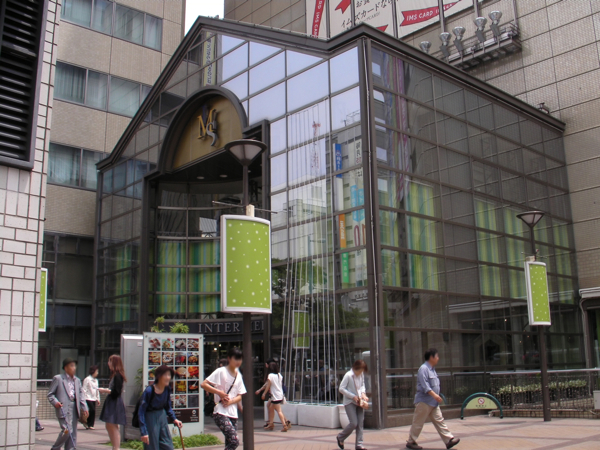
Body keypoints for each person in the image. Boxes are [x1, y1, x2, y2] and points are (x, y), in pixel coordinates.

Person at [406, 349, 460, 450]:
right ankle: (411, 442)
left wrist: (435, 397)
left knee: (440, 421)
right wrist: (434, 395)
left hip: (433, 403)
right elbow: (425, 385)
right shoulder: (423, 369)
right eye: (437, 356)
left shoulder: (432, 369)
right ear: (431, 357)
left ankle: (448, 440)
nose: (438, 358)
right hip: (424, 401)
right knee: (418, 422)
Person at [201, 347, 247, 450]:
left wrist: (231, 402)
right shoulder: (221, 371)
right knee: (234, 441)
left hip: (233, 413)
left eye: (240, 359)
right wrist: (219, 393)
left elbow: (240, 395)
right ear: (229, 358)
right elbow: (204, 384)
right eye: (236, 358)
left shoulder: (239, 375)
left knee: (229, 443)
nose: (238, 361)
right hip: (220, 412)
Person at [47, 357, 89, 450]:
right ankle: (55, 448)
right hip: (63, 407)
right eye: (71, 366)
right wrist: (55, 402)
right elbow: (50, 394)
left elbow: (81, 395)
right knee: (66, 430)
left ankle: (71, 448)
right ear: (66, 368)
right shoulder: (58, 378)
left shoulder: (77, 380)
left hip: (74, 407)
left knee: (73, 432)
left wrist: (85, 407)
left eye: (75, 366)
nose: (74, 368)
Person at [139, 365, 183, 449]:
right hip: (150, 419)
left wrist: (174, 419)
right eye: (165, 375)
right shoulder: (149, 391)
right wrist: (143, 432)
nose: (168, 377)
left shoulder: (167, 389)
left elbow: (168, 407)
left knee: (168, 446)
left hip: (162, 418)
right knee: (152, 447)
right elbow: (141, 412)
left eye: (169, 375)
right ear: (159, 376)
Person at [336, 360, 369, 450]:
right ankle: (340, 437)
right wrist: (352, 396)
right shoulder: (348, 375)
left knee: (360, 423)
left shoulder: (361, 375)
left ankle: (359, 445)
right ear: (355, 368)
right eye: (360, 371)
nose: (361, 373)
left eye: (362, 371)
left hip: (359, 401)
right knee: (354, 423)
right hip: (350, 402)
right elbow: (341, 388)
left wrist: (363, 394)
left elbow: (362, 385)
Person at [100, 355, 127, 450]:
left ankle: (116, 447)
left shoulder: (118, 376)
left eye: (110, 361)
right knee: (109, 424)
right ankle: (114, 446)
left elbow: (116, 392)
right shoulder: (115, 375)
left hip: (114, 402)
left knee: (112, 424)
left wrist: (105, 390)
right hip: (112, 401)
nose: (108, 363)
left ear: (114, 363)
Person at [263, 361, 291, 432]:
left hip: (275, 396)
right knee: (271, 408)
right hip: (279, 395)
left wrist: (264, 393)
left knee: (279, 411)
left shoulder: (270, 375)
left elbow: (268, 385)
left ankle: (284, 425)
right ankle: (271, 423)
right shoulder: (279, 375)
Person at [82, 365, 109, 430]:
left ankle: (90, 424)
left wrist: (98, 398)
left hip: (93, 398)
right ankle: (88, 423)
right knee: (92, 410)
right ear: (93, 371)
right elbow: (84, 389)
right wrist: (83, 398)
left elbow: (97, 389)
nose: (97, 373)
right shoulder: (87, 379)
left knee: (93, 411)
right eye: (96, 371)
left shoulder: (96, 380)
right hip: (87, 397)